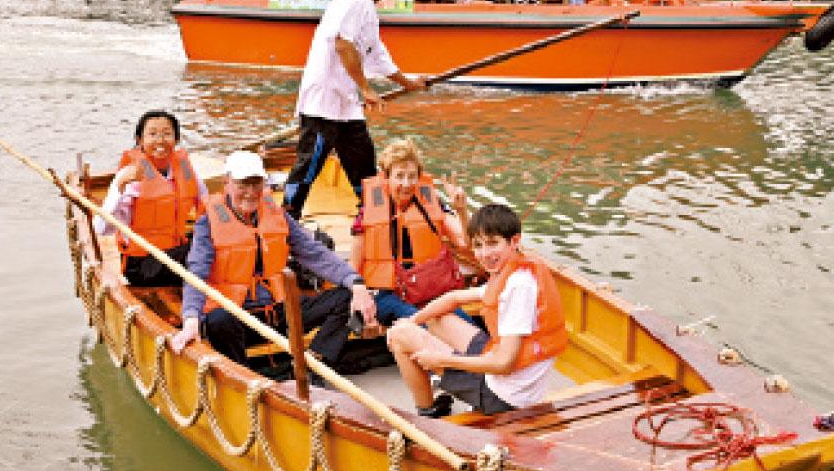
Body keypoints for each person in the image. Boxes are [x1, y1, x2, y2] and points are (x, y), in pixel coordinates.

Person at [171, 151, 377, 369]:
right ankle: (243, 375)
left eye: (256, 184)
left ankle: (315, 364)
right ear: (227, 183)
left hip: (278, 312)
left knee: (346, 296)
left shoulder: (277, 215)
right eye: (243, 185)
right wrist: (191, 318)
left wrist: (356, 283)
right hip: (239, 318)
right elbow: (196, 272)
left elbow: (315, 254)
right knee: (218, 320)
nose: (251, 193)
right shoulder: (208, 223)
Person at [386, 203, 567, 418]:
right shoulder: (513, 268)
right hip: (508, 370)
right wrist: (412, 321)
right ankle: (440, 377)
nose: (484, 254)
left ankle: (428, 411)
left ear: (514, 241)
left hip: (503, 397)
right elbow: (453, 298)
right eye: (478, 245)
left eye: (492, 244)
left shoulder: (518, 287)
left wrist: (440, 360)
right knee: (437, 318)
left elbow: (504, 363)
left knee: (398, 337)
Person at [283, 0, 427, 219]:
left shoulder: (368, 10)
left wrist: (409, 83)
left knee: (363, 164)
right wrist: (367, 90)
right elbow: (343, 44)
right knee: (309, 166)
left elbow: (378, 56)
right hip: (324, 103)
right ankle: (287, 220)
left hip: (346, 106)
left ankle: (373, 218)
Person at [350, 138, 471, 326]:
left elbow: (465, 243)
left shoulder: (432, 204)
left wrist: (462, 211)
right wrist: (358, 298)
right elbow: (353, 267)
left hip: (427, 287)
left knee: (467, 324)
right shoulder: (368, 213)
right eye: (399, 176)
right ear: (386, 177)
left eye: (412, 176)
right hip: (387, 293)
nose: (406, 183)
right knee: (423, 324)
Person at [96, 109, 208, 287]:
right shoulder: (130, 175)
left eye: (167, 134)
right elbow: (102, 228)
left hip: (175, 253)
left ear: (176, 139)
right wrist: (120, 186)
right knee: (201, 254)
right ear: (139, 140)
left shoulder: (185, 169)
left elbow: (207, 204)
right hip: (142, 264)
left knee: (214, 245)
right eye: (152, 134)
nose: (160, 141)